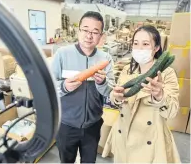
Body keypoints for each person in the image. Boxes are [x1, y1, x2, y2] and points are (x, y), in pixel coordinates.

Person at [103, 25, 181, 163]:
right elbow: (116, 98)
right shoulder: (127, 70)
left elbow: (172, 112)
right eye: (136, 43)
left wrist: (160, 96)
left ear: (156, 48)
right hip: (123, 136)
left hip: (149, 142)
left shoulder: (166, 73)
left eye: (145, 44)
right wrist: (116, 97)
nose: (139, 48)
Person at [51, 11, 114, 163]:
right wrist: (64, 86)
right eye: (85, 30)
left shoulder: (106, 58)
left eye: (95, 32)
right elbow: (50, 89)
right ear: (78, 31)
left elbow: (109, 92)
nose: (89, 35)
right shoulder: (62, 54)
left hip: (92, 125)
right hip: (66, 124)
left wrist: (102, 83)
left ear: (101, 36)